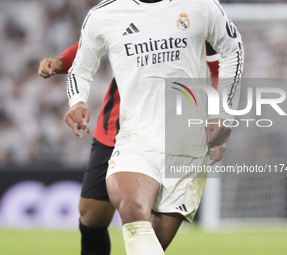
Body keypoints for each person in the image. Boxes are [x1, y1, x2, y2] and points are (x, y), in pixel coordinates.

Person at [64, 0, 243, 253]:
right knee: (132, 209)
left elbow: (233, 50)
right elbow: (79, 70)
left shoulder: (201, 5)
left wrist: (223, 115)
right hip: (135, 137)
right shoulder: (105, 14)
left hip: (188, 145)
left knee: (154, 242)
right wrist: (77, 101)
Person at [38, 36, 225, 255]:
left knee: (153, 236)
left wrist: (218, 120)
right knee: (91, 217)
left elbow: (219, 67)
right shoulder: (126, 12)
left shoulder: (196, 13)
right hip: (115, 129)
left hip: (174, 135)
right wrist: (61, 63)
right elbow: (94, 43)